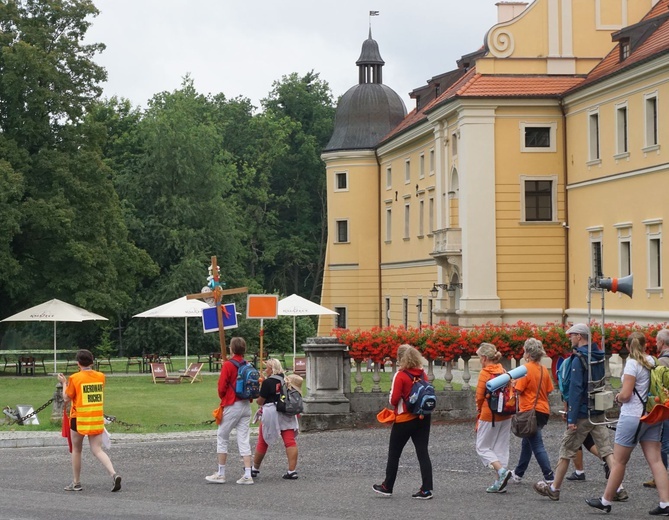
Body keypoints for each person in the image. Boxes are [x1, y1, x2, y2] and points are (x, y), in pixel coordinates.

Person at [534, 323, 620, 502]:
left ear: (579, 337)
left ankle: (554, 488)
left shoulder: (578, 358)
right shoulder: (598, 355)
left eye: (572, 335)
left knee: (566, 450)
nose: (570, 338)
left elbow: (575, 389)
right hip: (597, 408)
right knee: (606, 450)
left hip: (582, 412)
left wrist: (571, 417)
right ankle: (618, 487)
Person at [586, 331, 669, 515]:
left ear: (627, 346)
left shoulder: (632, 364)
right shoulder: (653, 361)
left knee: (620, 461)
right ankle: (665, 502)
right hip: (652, 414)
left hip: (632, 416)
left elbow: (626, 395)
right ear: (646, 345)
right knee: (656, 460)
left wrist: (617, 397)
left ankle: (605, 500)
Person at [372, 344, 433, 499]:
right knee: (422, 452)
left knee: (394, 453)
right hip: (423, 417)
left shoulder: (400, 375)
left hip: (404, 418)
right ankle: (426, 489)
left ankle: (388, 485)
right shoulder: (422, 374)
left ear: (400, 359)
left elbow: (394, 400)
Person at [57, 349, 121, 492]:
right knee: (97, 450)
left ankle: (76, 482)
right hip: (96, 417)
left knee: (77, 450)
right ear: (92, 361)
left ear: (78, 363)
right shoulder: (100, 376)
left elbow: (67, 398)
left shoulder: (75, 378)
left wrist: (64, 383)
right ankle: (113, 473)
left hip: (79, 418)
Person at [206, 337, 254, 485]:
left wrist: (224, 397)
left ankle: (221, 473)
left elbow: (221, 387)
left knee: (222, 436)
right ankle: (247, 474)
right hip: (246, 404)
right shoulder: (248, 364)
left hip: (232, 403)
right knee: (244, 439)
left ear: (232, 349)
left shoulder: (228, 365)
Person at [509, 338, 554, 484]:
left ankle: (549, 476)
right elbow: (548, 390)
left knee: (536, 444)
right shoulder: (543, 370)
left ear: (528, 353)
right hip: (542, 410)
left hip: (529, 411)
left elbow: (518, 389)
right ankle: (518, 473)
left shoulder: (526, 369)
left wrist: (512, 383)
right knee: (527, 442)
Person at [251, 359, 300, 480]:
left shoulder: (268, 382)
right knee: (289, 440)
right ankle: (292, 470)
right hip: (286, 410)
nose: (265, 370)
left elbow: (260, 401)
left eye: (267, 368)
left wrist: (260, 390)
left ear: (272, 369)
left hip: (271, 411)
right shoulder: (287, 379)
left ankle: (255, 468)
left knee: (263, 440)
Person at [475, 342, 513, 493]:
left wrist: (478, 411)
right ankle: (499, 481)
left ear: (484, 358)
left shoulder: (485, 372)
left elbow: (479, 396)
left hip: (489, 414)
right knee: (501, 447)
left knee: (482, 447)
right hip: (506, 413)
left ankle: (502, 472)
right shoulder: (502, 370)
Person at [643, 328, 669, 488]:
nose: (656, 343)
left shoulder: (662, 362)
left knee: (664, 441)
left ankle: (662, 476)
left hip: (666, 404)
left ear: (662, 342)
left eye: (657, 341)